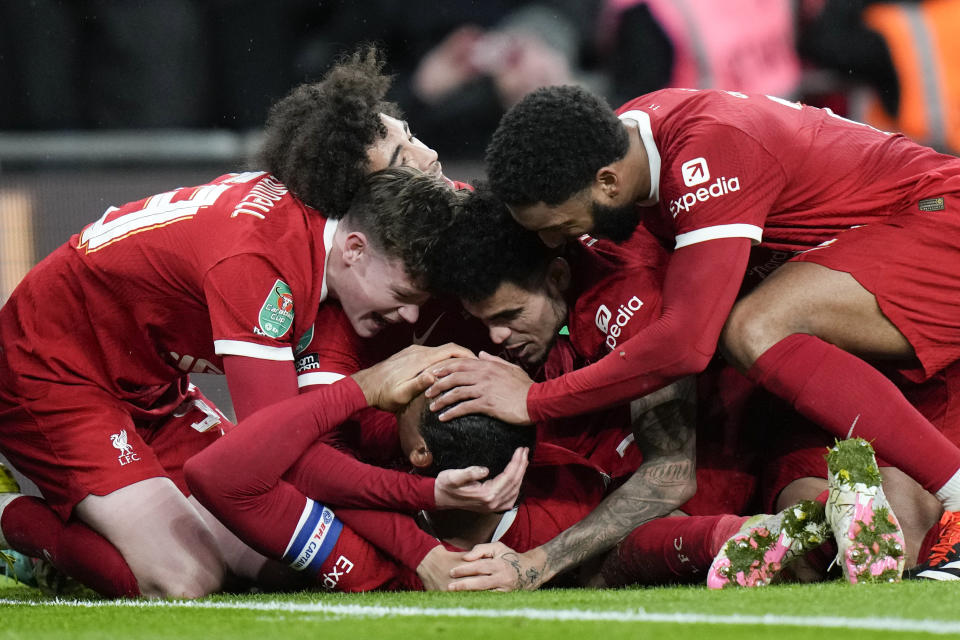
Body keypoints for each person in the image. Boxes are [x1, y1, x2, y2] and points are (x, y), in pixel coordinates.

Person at [0, 46, 524, 599]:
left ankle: (115, 517)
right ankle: (13, 523)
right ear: (359, 210)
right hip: (53, 368)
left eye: (410, 134)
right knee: (183, 579)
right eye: (400, 156)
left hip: (151, 380)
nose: (428, 155)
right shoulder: (264, 266)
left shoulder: (332, 229)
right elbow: (276, 457)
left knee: (272, 562)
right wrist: (373, 403)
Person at [426, 85, 960, 585]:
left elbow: (686, 343)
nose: (550, 241)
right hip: (858, 310)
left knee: (752, 328)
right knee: (859, 517)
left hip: (937, 220)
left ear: (607, 183)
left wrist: (535, 401)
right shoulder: (626, 145)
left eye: (555, 225)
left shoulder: (707, 154)